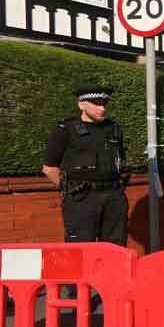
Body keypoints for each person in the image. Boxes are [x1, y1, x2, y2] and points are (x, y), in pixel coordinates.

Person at [41, 87, 129, 245]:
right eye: (96, 104)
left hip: (113, 197)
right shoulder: (66, 129)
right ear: (81, 105)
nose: (102, 108)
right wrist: (68, 188)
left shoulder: (114, 128)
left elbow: (119, 160)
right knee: (80, 248)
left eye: (104, 104)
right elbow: (49, 168)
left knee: (116, 247)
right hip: (82, 197)